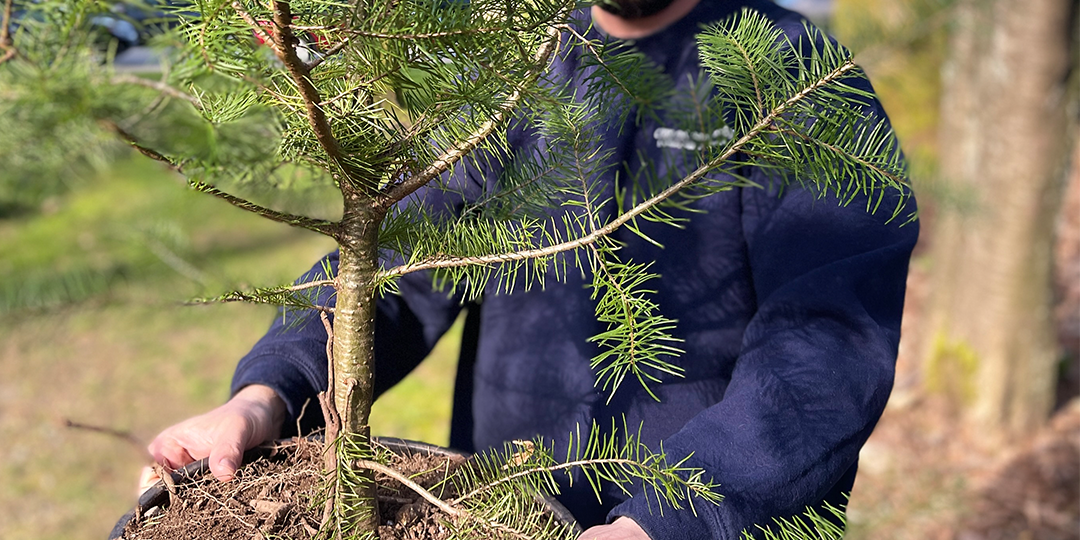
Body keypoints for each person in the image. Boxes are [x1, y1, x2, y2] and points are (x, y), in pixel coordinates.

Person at [143, 0, 918, 538]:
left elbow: (828, 337)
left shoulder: (790, 75)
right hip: (507, 508)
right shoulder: (523, 66)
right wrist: (266, 394)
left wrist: (668, 521)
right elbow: (405, 262)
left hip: (712, 519)